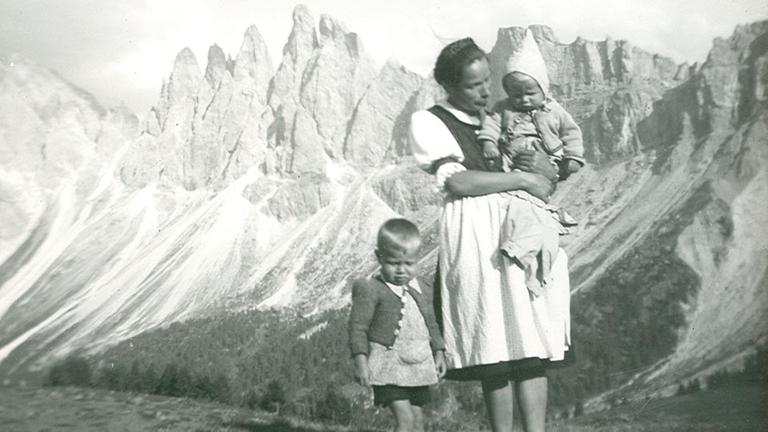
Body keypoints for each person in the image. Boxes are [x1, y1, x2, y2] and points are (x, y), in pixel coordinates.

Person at [409, 37, 572, 432]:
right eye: (472, 85)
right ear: (449, 87)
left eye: (486, 81)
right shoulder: (430, 121)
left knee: (532, 343)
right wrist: (520, 177)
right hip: (475, 234)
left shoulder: (507, 117)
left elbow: (547, 176)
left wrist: (543, 172)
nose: (484, 91)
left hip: (520, 229)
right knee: (493, 345)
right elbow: (458, 182)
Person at [478, 29, 585, 296]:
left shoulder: (555, 112)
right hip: (512, 168)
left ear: (543, 88)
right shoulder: (504, 110)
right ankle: (525, 255)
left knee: (533, 212)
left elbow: (572, 133)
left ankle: (526, 255)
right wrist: (490, 143)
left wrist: (572, 159)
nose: (523, 100)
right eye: (516, 95)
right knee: (521, 210)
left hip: (544, 168)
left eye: (530, 93)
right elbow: (490, 125)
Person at [348, 218, 447, 432]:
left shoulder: (422, 287)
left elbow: (431, 323)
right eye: (394, 263)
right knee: (406, 420)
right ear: (379, 257)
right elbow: (358, 328)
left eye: (409, 264)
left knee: (418, 421)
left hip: (417, 364)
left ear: (417, 259)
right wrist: (360, 361)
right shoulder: (372, 289)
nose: (401, 270)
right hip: (388, 366)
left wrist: (438, 351)